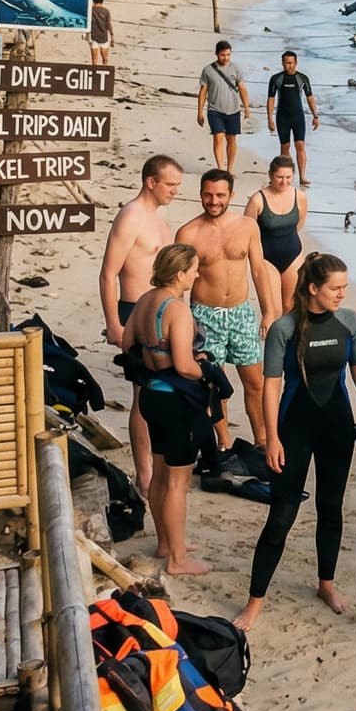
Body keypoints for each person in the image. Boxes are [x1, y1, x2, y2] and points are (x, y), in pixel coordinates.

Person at [235, 253, 356, 633]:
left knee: (330, 508)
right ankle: (255, 601)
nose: (342, 295)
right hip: (294, 429)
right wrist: (270, 438)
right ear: (313, 288)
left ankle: (326, 584)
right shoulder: (285, 328)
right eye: (335, 288)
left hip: (337, 426)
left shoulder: (348, 322)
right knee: (281, 514)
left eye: (345, 288)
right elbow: (271, 385)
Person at [121, 244, 215, 575]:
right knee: (178, 482)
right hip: (176, 402)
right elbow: (185, 365)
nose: (197, 274)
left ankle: (166, 542)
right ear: (179, 273)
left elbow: (126, 343)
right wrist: (207, 371)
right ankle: (178, 559)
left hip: (150, 397)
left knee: (160, 476)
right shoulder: (176, 310)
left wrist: (153, 352)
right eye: (193, 269)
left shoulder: (145, 300)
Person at [177, 168, 280, 451]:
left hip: (241, 312)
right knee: (214, 385)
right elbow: (177, 284)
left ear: (231, 195)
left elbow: (258, 270)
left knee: (255, 381)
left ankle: (261, 440)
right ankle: (223, 443)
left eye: (220, 195)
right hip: (204, 315)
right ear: (200, 194)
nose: (214, 201)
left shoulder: (247, 226)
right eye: (208, 195)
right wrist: (182, 328)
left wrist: (269, 311)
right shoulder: (188, 233)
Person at [100, 155, 184, 498]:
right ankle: (144, 473)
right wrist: (114, 324)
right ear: (151, 181)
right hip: (135, 310)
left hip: (162, 310)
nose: (175, 191)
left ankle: (158, 467)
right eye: (170, 184)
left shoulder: (158, 217)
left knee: (163, 392)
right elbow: (108, 273)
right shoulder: (131, 215)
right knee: (142, 395)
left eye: (178, 185)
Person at [244, 158, 309, 327]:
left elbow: (299, 225)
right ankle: (272, 347)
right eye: (280, 177)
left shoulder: (299, 196)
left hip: (293, 255)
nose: (284, 181)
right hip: (266, 257)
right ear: (271, 176)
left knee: (292, 307)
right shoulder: (257, 200)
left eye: (288, 177)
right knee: (274, 311)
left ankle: (289, 348)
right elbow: (246, 231)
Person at [265, 51, 320, 185]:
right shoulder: (276, 79)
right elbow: (271, 100)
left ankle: (302, 176)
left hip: (298, 116)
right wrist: (270, 119)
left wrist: (315, 116)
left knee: (300, 145)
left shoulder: (302, 78)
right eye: (286, 63)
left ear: (296, 63)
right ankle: (286, 176)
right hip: (282, 117)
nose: (288, 66)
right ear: (282, 63)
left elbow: (310, 97)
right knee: (285, 148)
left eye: (291, 63)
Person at [196, 41, 250, 174]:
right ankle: (220, 169)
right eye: (222, 55)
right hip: (215, 110)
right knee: (217, 137)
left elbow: (242, 88)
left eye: (228, 55)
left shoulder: (236, 69)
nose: (225, 58)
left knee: (231, 139)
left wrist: (247, 107)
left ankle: (229, 169)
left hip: (233, 109)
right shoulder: (208, 70)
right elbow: (203, 91)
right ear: (216, 54)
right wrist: (200, 112)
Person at [88, 0, 113, 66]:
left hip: (93, 37)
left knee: (94, 60)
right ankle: (104, 75)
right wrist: (112, 36)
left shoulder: (90, 10)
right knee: (105, 59)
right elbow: (109, 25)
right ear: (102, 0)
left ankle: (95, 76)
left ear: (93, 0)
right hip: (104, 37)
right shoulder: (106, 11)